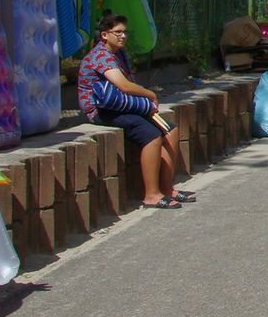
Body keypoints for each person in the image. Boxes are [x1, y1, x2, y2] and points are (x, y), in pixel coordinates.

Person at [77, 14, 192, 210]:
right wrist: (150, 95)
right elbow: (123, 85)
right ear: (104, 35)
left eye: (124, 32)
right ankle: (151, 195)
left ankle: (167, 189)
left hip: (122, 106)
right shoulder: (100, 55)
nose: (122, 36)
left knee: (170, 131)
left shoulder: (118, 54)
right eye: (118, 32)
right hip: (102, 110)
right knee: (151, 136)